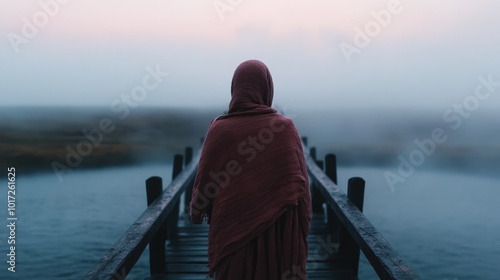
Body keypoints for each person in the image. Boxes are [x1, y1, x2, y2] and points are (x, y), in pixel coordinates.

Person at [190, 59, 312, 279]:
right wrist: (305, 220)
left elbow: (206, 181)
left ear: (235, 88)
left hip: (232, 230)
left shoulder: (219, 129)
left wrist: (197, 212)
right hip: (279, 232)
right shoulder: (285, 127)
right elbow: (300, 182)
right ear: (267, 87)